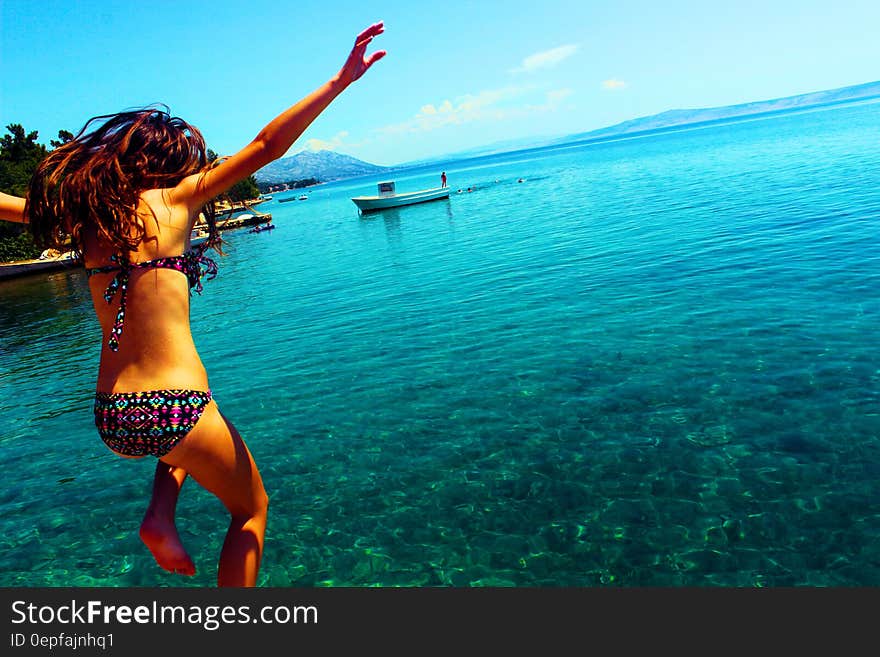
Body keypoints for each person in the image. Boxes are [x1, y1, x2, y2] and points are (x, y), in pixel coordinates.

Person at [18, 21, 386, 587]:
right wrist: (338, 82)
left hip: (113, 417)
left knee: (185, 439)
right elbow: (268, 146)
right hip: (176, 407)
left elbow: (14, 207)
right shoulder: (178, 197)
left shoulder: (86, 218)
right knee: (252, 509)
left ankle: (160, 516)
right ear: (170, 160)